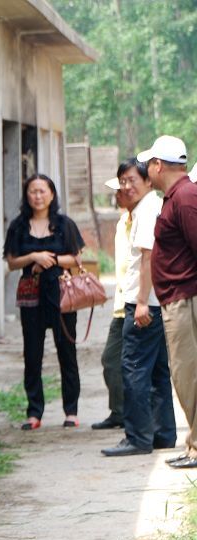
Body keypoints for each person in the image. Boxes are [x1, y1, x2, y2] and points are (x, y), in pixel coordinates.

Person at [101, 158, 176, 456]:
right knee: (157, 372)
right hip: (154, 303)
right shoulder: (148, 208)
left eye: (132, 179)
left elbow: (148, 258)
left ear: (147, 180)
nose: (127, 185)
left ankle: (137, 438)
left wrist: (142, 302)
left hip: (144, 304)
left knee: (132, 370)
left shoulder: (147, 211)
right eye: (123, 180)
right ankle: (163, 434)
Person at [4, 174, 85, 430]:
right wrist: (33, 256)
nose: (37, 196)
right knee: (33, 355)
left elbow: (76, 258)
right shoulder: (18, 226)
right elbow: (11, 262)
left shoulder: (64, 224)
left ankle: (71, 411)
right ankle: (34, 412)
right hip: (31, 297)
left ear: (51, 194)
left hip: (61, 294)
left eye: (42, 191)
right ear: (27, 196)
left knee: (67, 353)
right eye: (32, 191)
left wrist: (54, 260)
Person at [137, 135, 197, 468]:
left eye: (149, 164)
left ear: (159, 165)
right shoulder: (174, 197)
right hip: (177, 300)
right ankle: (194, 444)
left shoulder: (186, 197)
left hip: (187, 300)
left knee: (188, 373)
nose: (147, 169)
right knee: (184, 374)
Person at [92, 177, 129, 430]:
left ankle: (128, 415)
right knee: (112, 361)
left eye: (119, 191)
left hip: (138, 304)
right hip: (123, 303)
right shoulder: (123, 222)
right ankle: (119, 412)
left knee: (120, 361)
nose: (116, 196)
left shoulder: (146, 218)